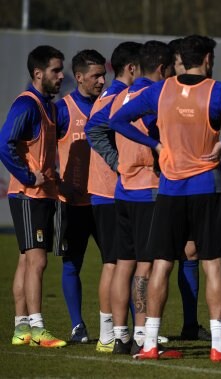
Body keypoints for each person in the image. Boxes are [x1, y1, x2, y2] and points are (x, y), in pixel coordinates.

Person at [110, 34, 221, 361]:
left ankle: (150, 343)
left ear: (180, 57)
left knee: (162, 265)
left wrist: (154, 145)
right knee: (212, 266)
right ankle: (219, 346)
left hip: (168, 189)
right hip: (206, 189)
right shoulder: (218, 91)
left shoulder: (160, 89)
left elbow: (117, 120)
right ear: (208, 58)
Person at [104, 40, 174, 355]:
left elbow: (96, 126)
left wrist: (114, 160)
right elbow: (157, 133)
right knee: (145, 268)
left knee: (123, 265)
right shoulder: (152, 97)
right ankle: (143, 334)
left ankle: (120, 336)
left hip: (123, 189)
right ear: (162, 68)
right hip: (147, 190)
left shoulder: (121, 96)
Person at [0, 45, 67, 348]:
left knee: (27, 261)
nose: (60, 75)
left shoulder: (49, 106)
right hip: (29, 194)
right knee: (37, 261)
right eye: (55, 70)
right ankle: (38, 329)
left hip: (40, 194)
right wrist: (28, 177)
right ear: (38, 73)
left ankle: (21, 328)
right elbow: (4, 144)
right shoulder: (27, 104)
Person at [84, 41, 141, 353]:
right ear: (132, 68)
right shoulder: (118, 94)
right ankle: (109, 334)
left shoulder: (114, 93)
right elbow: (95, 129)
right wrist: (118, 161)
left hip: (109, 190)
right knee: (115, 263)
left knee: (116, 262)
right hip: (110, 191)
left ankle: (115, 333)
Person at [54, 49, 106, 344]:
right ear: (80, 77)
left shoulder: (108, 106)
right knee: (72, 264)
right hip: (72, 204)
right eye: (96, 75)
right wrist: (60, 185)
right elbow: (44, 153)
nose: (102, 80)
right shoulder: (63, 110)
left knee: (118, 262)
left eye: (104, 74)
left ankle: (132, 328)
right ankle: (77, 326)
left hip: (103, 200)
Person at [166, 37, 211, 342]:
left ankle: (190, 324)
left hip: (190, 184)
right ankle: (138, 331)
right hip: (159, 187)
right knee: (152, 260)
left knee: (191, 251)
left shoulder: (201, 92)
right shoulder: (161, 93)